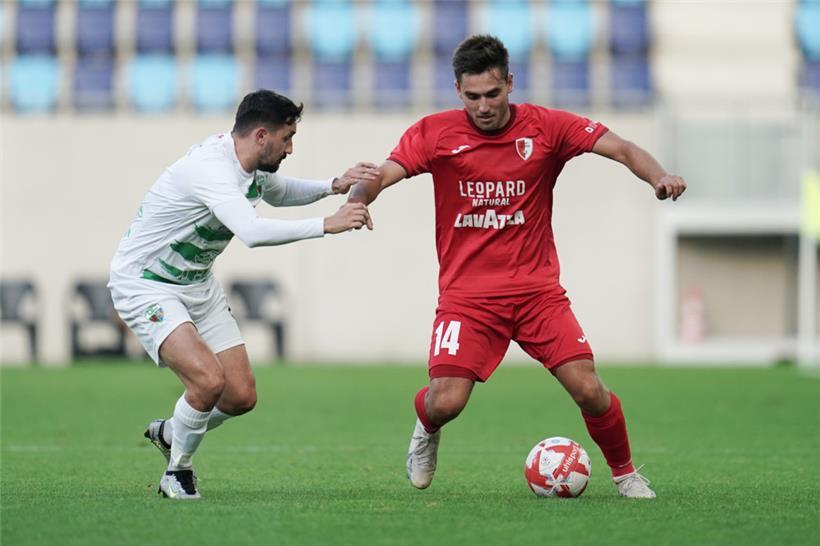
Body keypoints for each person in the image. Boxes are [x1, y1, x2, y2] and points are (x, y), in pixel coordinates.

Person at [348, 35, 686, 498]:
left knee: (588, 389)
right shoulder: (434, 133)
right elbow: (381, 175)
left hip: (537, 294)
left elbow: (623, 148)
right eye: (472, 97)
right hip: (467, 298)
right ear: (457, 91)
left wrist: (659, 175)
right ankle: (426, 428)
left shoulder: (548, 127)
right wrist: (357, 201)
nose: (483, 107)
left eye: (492, 94)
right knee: (446, 401)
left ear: (510, 83)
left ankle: (627, 475)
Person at [108, 89, 378, 500]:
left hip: (196, 282)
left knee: (240, 395)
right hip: (146, 283)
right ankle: (176, 474)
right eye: (287, 139)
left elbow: (276, 190)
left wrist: (333, 185)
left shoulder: (247, 162)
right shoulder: (210, 170)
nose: (290, 148)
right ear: (262, 135)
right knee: (207, 380)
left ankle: (172, 431)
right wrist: (327, 223)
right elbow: (250, 232)